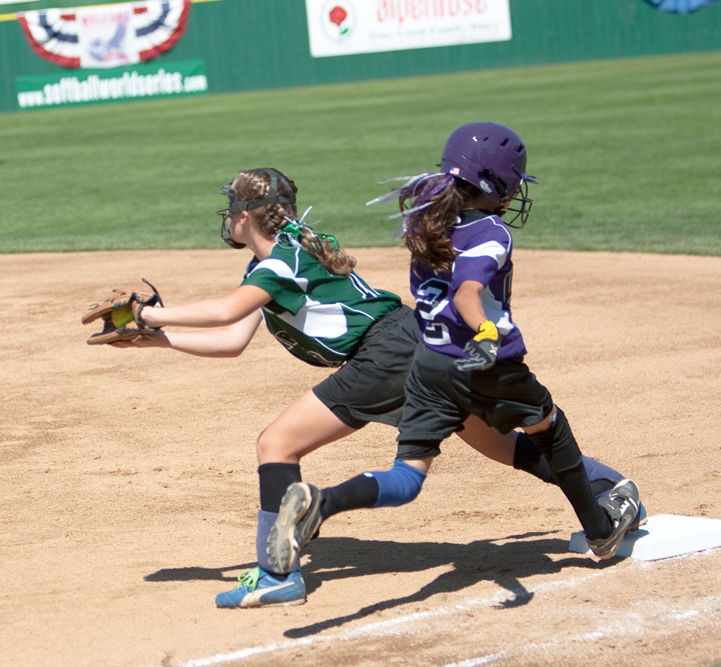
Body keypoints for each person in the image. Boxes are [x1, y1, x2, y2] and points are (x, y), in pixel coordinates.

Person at [110, 167, 640, 608]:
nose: (227, 216)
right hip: (414, 343)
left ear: (246, 216)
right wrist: (158, 339)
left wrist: (149, 310)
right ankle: (606, 489)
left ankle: (277, 575)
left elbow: (227, 310)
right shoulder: (285, 253)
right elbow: (232, 338)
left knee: (276, 444)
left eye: (231, 207)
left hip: (383, 354)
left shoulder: (278, 262)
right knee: (495, 442)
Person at [266, 123, 643, 581]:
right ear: (498, 183)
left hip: (429, 366)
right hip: (485, 363)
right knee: (549, 425)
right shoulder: (491, 232)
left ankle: (322, 501)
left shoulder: (427, 222)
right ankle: (601, 529)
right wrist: (485, 331)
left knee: (408, 477)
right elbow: (467, 290)